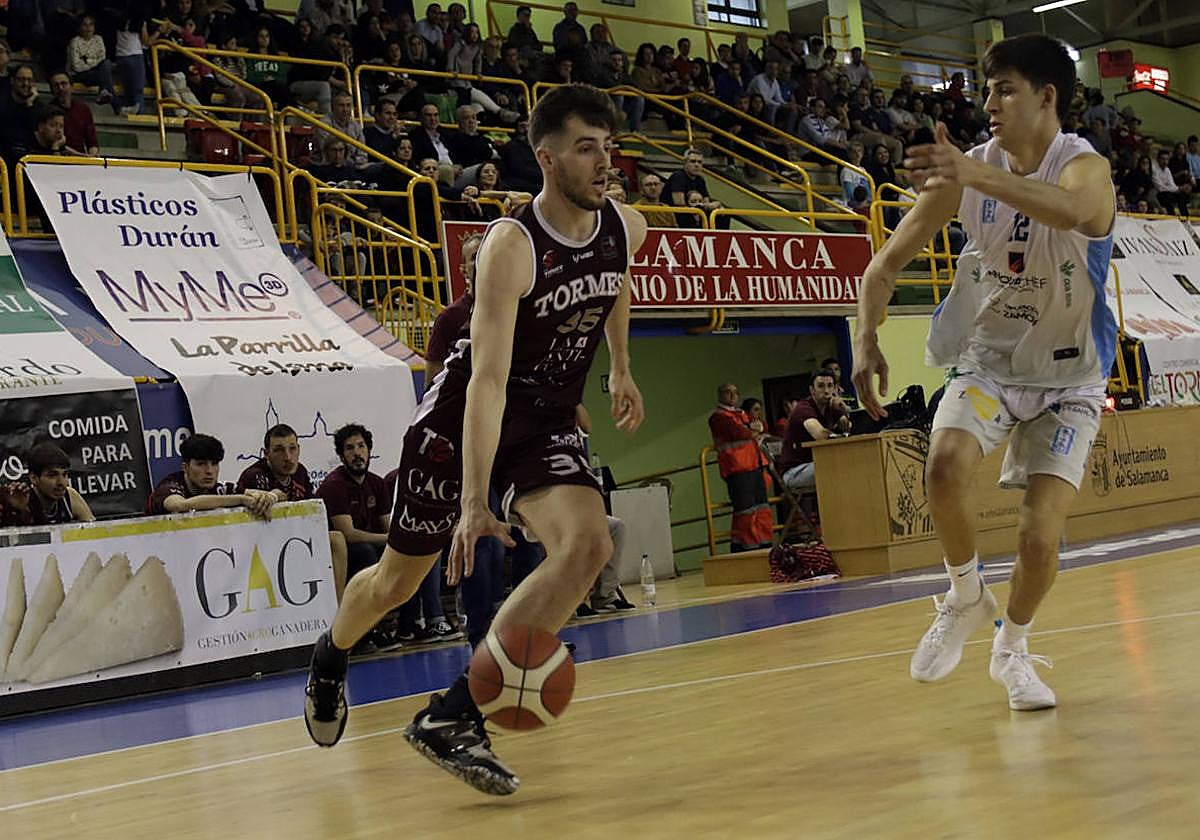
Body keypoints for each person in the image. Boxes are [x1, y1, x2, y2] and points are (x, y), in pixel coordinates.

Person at [303, 85, 647, 798]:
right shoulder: (513, 248)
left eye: (608, 146)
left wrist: (618, 365)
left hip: (543, 419)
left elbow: (615, 284)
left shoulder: (627, 226)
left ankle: (454, 715)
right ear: (547, 158)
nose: (603, 162)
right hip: (461, 421)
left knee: (588, 544)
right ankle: (331, 654)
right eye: (587, 148)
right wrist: (471, 501)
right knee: (396, 585)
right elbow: (486, 382)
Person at [851, 34, 1117, 711]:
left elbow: (1068, 211)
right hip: (992, 361)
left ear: (1047, 97)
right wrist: (865, 341)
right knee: (942, 465)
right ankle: (965, 595)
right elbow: (883, 267)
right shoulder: (969, 170)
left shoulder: (1085, 167)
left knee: (1038, 536)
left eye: (1005, 89)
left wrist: (971, 177)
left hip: (1071, 378)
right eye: (987, 89)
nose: (988, 103)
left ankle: (1012, 649)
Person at [237, 423, 350, 600]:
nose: (288, 457)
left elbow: (310, 514)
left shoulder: (301, 473)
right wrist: (276, 496)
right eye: (279, 450)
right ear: (267, 454)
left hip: (296, 540)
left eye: (292, 448)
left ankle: (338, 608)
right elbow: (265, 513)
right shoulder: (255, 475)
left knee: (337, 539)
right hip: (262, 547)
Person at [315, 423, 391, 583]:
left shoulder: (377, 483)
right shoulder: (334, 485)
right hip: (338, 551)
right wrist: (389, 539)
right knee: (365, 551)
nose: (357, 453)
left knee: (406, 552)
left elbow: (387, 525)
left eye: (361, 446)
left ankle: (421, 608)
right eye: (350, 448)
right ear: (342, 456)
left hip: (370, 543)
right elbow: (349, 535)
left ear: (369, 450)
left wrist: (399, 541)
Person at [146, 433, 278, 517]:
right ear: (185, 467)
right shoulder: (170, 485)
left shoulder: (220, 488)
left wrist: (269, 498)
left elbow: (276, 493)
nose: (209, 470)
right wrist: (241, 499)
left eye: (214, 464)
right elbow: (180, 505)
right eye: (201, 464)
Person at [708, 383, 773, 552]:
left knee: (762, 508)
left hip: (754, 466)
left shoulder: (741, 414)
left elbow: (762, 425)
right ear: (720, 395)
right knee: (746, 511)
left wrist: (754, 427)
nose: (732, 395)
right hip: (736, 469)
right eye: (727, 392)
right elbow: (735, 432)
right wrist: (752, 428)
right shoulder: (718, 417)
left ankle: (763, 543)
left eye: (735, 392)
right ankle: (748, 547)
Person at [776, 369, 849, 493]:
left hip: (816, 463)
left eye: (830, 386)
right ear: (812, 390)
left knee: (853, 463)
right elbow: (820, 435)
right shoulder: (803, 408)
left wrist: (843, 410)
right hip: (794, 472)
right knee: (841, 467)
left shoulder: (831, 407)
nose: (826, 391)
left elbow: (850, 427)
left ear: (835, 389)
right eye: (821, 386)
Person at [0, 443, 95, 527]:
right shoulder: (21, 501)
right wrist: (20, 512)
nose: (61, 483)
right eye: (52, 475)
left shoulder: (69, 496)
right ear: (34, 478)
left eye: (65, 474)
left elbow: (94, 534)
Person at [49, 72, 97, 156]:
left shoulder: (83, 109)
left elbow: (92, 141)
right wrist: (83, 156)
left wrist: (92, 154)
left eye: (64, 84)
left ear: (71, 86)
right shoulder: (49, 111)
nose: (60, 88)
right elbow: (55, 142)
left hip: (82, 159)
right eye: (56, 85)